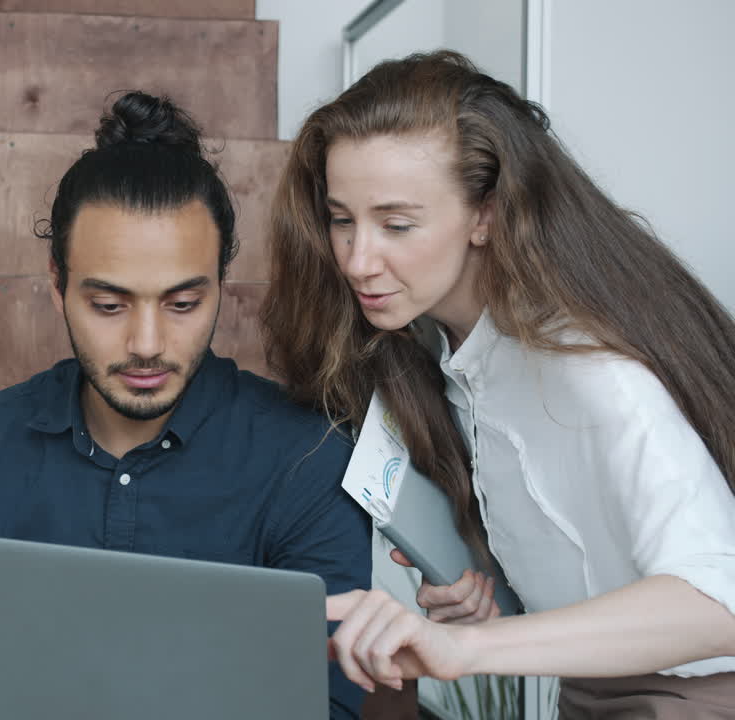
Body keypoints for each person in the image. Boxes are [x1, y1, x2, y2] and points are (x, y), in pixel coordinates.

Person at [261, 50, 735, 716]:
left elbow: (720, 604)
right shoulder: (439, 350)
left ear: (485, 214)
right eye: (343, 220)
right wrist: (487, 597)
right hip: (588, 693)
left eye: (397, 225)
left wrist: (474, 649)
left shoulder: (594, 372)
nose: (358, 260)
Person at [0, 91, 372, 719]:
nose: (147, 345)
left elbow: (325, 704)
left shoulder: (305, 459)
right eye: (110, 305)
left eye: (182, 304)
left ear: (222, 286)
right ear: (57, 287)